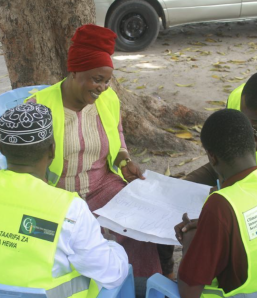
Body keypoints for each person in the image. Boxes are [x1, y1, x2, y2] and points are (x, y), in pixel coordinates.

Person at [0, 103, 128, 298]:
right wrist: (113, 247)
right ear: (52, 150)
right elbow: (111, 274)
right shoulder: (69, 210)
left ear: (3, 150)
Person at [135, 109, 257, 298]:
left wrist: (189, 243)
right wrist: (213, 227)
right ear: (255, 142)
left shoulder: (221, 206)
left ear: (212, 158)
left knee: (131, 287)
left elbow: (188, 294)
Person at [25, 24, 164, 278]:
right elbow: (26, 165)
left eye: (106, 81)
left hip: (102, 186)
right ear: (75, 71)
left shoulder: (108, 100)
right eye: (96, 79)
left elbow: (118, 138)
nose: (102, 88)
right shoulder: (39, 107)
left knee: (139, 228)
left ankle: (144, 293)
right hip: (59, 193)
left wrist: (124, 161)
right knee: (79, 246)